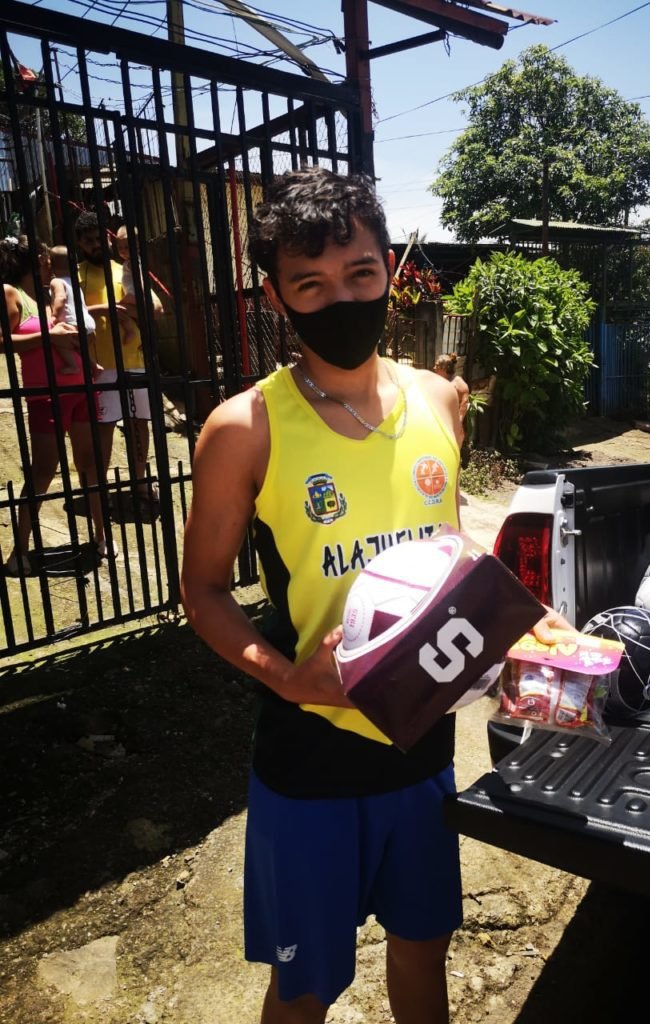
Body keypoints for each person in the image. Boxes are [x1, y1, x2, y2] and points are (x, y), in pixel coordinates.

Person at [180, 166, 566, 1024]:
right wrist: (286, 677)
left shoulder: (438, 401)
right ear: (277, 297)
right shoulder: (245, 429)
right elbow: (201, 592)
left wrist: (529, 628)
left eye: (360, 274)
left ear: (389, 267)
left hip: (423, 746)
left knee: (423, 958)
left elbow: (448, 551)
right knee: (305, 987)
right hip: (309, 760)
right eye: (309, 285)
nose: (342, 299)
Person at [0, 236, 111, 575]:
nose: (49, 260)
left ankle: (101, 537)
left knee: (90, 464)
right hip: (45, 394)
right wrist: (50, 338)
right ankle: (20, 550)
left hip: (82, 387)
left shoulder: (55, 291)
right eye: (43, 256)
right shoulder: (11, 292)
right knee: (45, 470)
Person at [75, 211, 163, 505]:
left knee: (140, 423)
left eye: (99, 238)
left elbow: (156, 310)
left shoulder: (124, 269)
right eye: (88, 241)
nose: (96, 245)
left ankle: (140, 483)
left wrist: (116, 310)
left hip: (135, 360)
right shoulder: (75, 275)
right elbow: (70, 318)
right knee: (105, 427)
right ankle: (99, 490)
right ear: (80, 244)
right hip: (101, 366)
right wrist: (107, 310)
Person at [48, 244, 101, 375]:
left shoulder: (56, 281)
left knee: (59, 341)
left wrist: (54, 315)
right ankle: (95, 366)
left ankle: (72, 365)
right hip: (88, 323)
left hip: (73, 324)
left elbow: (60, 297)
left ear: (51, 265)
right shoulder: (74, 282)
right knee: (79, 348)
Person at [113, 224, 142, 351]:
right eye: (120, 248)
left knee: (119, 309)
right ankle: (140, 337)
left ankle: (131, 331)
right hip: (132, 293)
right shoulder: (128, 262)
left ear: (137, 246)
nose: (123, 250)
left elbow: (139, 276)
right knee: (134, 316)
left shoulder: (133, 262)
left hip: (133, 293)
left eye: (127, 247)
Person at [433, 353, 469, 426]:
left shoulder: (457, 382)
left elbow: (464, 402)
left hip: (453, 423)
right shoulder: (440, 381)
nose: (434, 368)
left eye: (437, 366)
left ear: (444, 368)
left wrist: (459, 421)